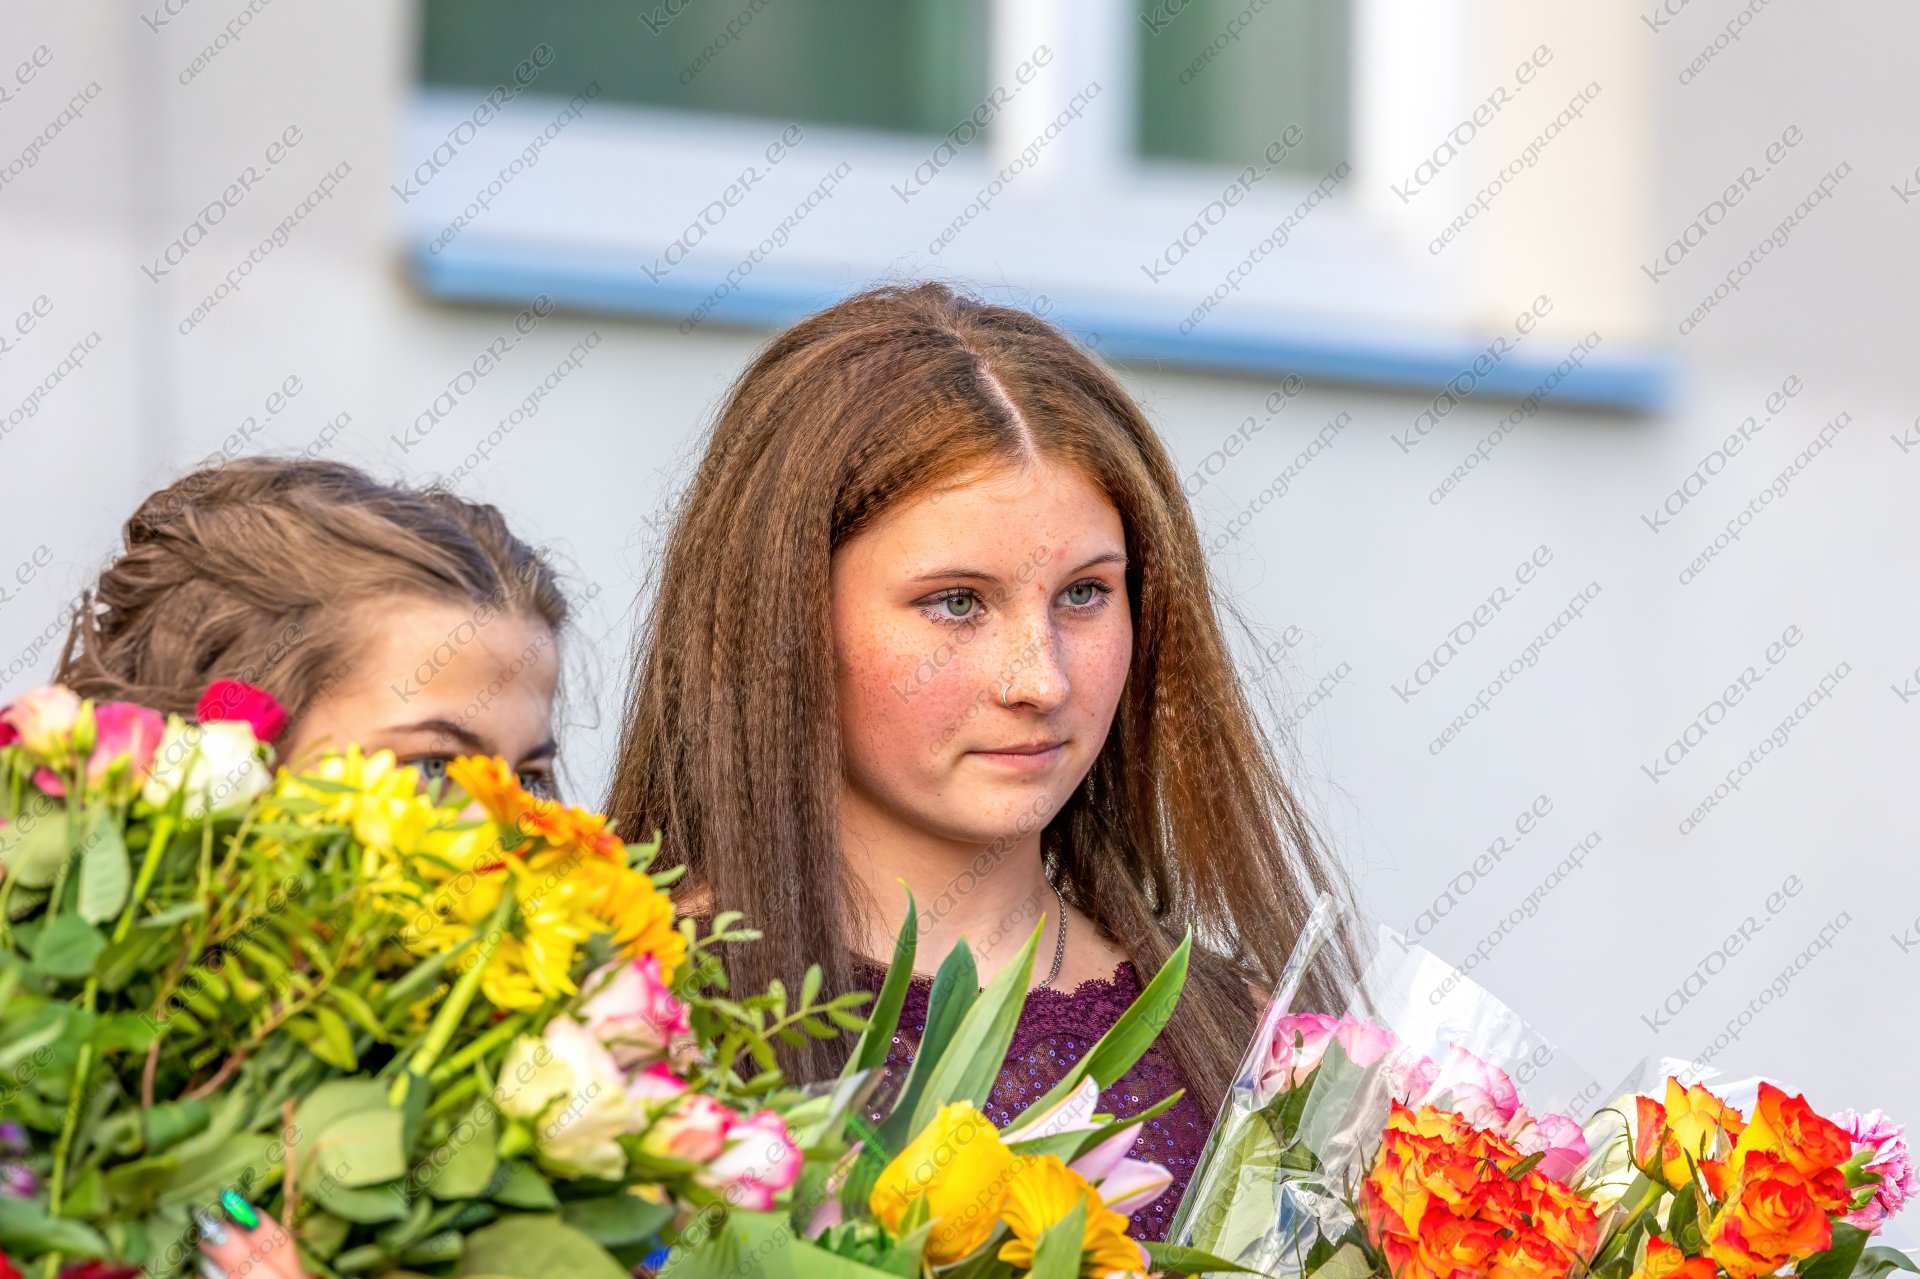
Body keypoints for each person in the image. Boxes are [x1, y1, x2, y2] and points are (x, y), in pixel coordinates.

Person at [605, 280, 1368, 1243]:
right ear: (783, 619)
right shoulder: (622, 1018)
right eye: (957, 602)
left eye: (1085, 593)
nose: (1040, 678)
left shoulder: (1257, 1056)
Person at [53, 455, 572, 1279]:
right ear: (228, 762)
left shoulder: (549, 1130)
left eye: (531, 777)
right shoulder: (42, 1104)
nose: (508, 834)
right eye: (434, 767)